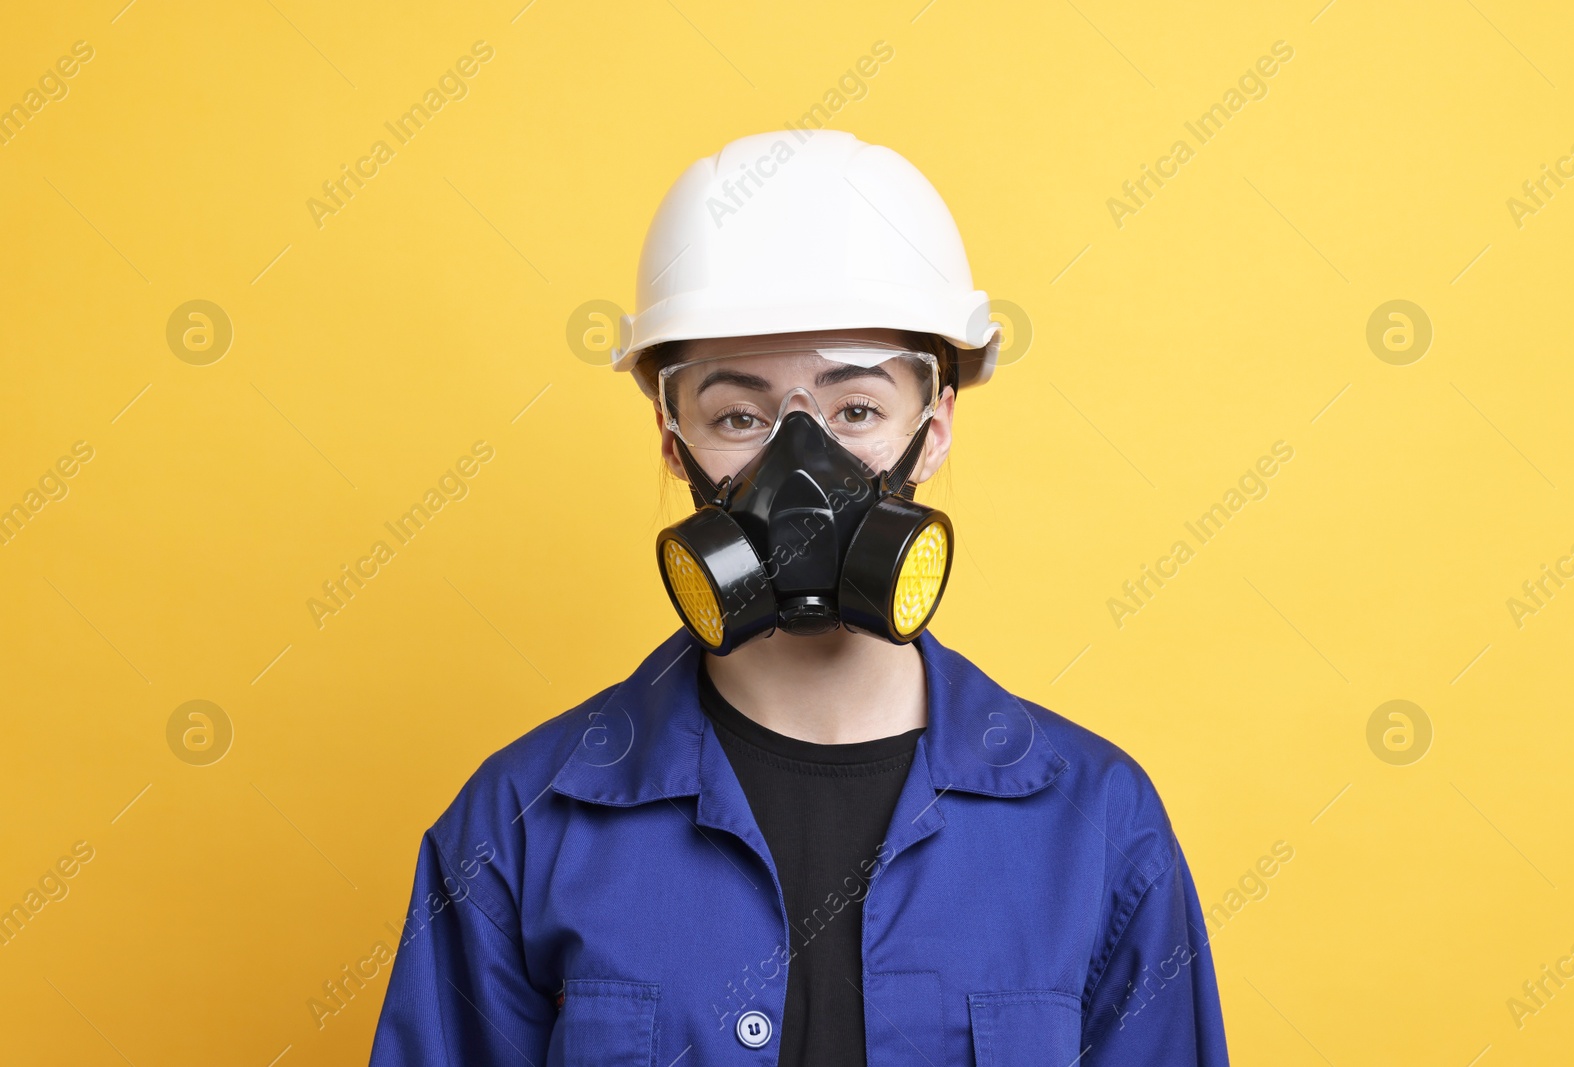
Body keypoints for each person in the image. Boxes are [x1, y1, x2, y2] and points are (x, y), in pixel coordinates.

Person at [369, 130, 1228, 1066]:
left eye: (855, 409)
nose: (800, 466)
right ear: (673, 441)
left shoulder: (1098, 828)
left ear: (933, 428)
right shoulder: (518, 827)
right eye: (739, 416)